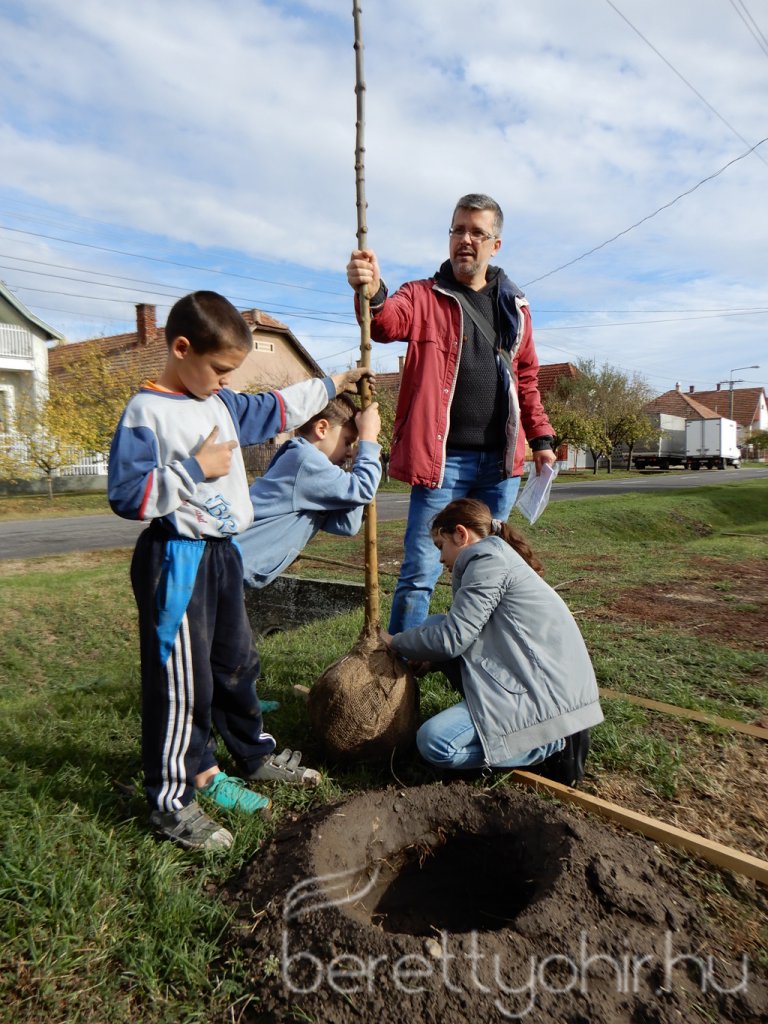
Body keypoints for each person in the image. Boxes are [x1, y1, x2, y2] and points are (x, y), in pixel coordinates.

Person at [108, 290, 372, 851]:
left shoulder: (219, 402)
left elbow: (276, 407)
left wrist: (333, 384)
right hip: (178, 559)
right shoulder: (147, 412)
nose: (228, 381)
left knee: (236, 664)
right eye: (220, 369)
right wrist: (194, 469)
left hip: (223, 553)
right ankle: (173, 798)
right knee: (183, 683)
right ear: (182, 349)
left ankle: (251, 755)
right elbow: (127, 495)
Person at [346, 193, 557, 634]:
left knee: (488, 573)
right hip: (441, 465)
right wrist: (372, 289)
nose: (466, 239)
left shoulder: (515, 307)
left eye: (477, 232)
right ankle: (401, 665)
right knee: (420, 571)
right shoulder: (423, 296)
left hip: (500, 466)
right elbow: (386, 321)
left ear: (495, 245)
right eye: (458, 230)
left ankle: (477, 661)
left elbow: (527, 378)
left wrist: (540, 438)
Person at [381, 498, 602, 784]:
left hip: (547, 698)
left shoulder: (487, 561)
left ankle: (547, 745)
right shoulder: (490, 558)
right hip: (527, 676)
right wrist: (431, 659)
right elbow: (463, 633)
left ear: (461, 534)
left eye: (440, 546)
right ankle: (512, 732)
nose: (440, 558)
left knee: (433, 742)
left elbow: (452, 639)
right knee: (435, 622)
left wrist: (395, 641)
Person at [239, 394, 382, 589]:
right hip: (223, 567)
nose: (350, 452)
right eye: (347, 442)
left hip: (231, 570)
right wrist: (369, 440)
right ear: (321, 429)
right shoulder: (305, 459)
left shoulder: (309, 468)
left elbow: (346, 525)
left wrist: (359, 465)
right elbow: (362, 489)